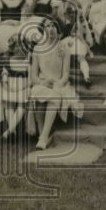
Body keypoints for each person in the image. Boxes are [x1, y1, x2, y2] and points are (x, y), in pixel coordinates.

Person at [28, 17, 80, 150]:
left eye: (54, 26)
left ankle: (44, 137)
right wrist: (43, 82)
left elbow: (66, 74)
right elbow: (33, 75)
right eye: (48, 26)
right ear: (43, 30)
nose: (51, 29)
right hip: (42, 84)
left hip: (59, 84)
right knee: (38, 96)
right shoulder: (38, 49)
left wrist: (57, 84)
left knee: (54, 97)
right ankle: (42, 133)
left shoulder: (64, 48)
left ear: (58, 30)